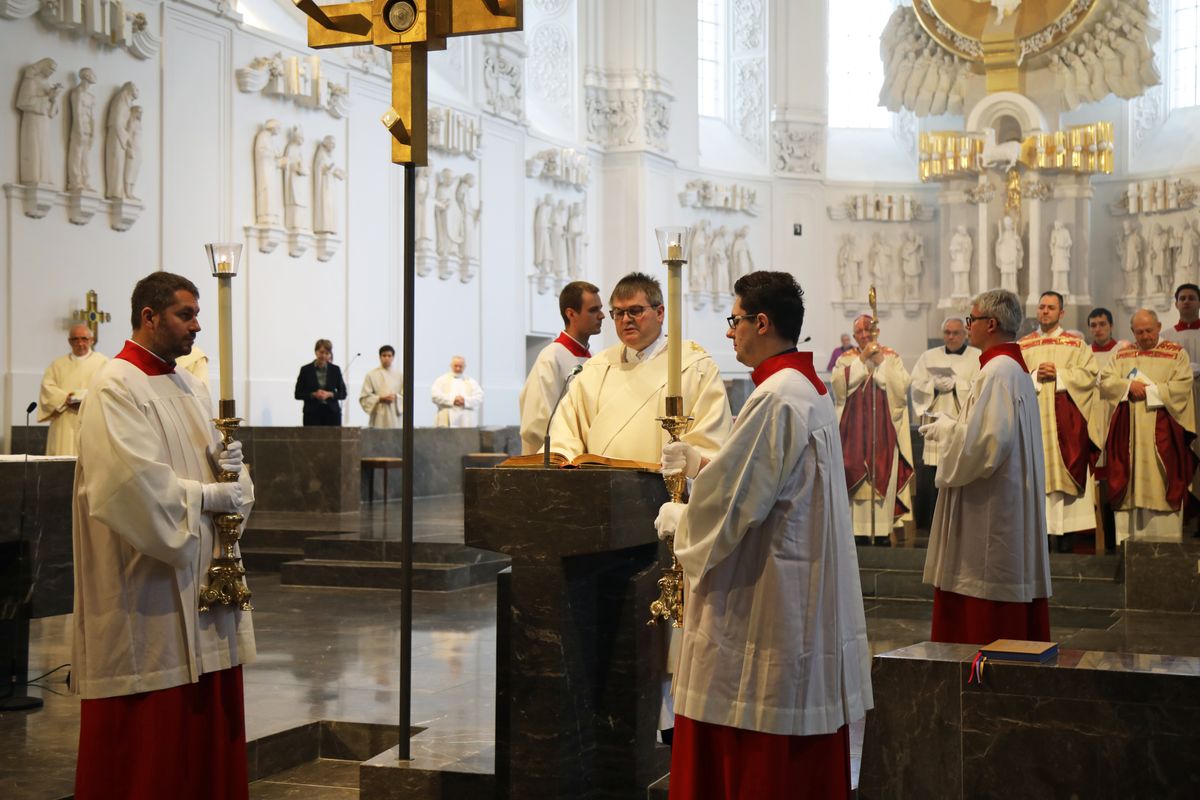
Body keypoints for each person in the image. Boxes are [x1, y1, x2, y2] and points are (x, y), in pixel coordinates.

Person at [653, 271, 871, 799]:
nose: (731, 333)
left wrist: (680, 519)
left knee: (752, 750)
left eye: (735, 321)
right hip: (796, 592)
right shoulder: (805, 388)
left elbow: (735, 507)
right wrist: (705, 461)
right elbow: (769, 478)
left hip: (768, 601)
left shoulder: (777, 396)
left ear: (762, 322)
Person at [72, 271, 255, 799]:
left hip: (204, 587)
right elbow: (130, 489)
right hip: (145, 588)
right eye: (185, 315)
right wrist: (206, 497)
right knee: (152, 749)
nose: (197, 326)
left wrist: (234, 473)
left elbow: (228, 483)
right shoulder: (113, 386)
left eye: (197, 314)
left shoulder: (191, 387)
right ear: (149, 317)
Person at [919, 288, 1052, 644]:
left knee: (985, 587)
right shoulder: (1012, 369)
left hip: (993, 506)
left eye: (971, 320)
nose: (968, 327)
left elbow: (987, 445)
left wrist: (946, 430)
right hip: (1006, 497)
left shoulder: (997, 371)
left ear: (990, 324)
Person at [549, 272, 732, 464]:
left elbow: (709, 442)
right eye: (618, 313)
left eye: (635, 311)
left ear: (660, 313)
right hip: (599, 489)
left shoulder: (695, 366)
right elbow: (565, 434)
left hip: (664, 491)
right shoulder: (595, 369)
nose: (626, 319)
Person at [1099, 309, 1196, 541]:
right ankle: (1128, 546)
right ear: (1132, 331)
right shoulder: (1122, 355)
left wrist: (1149, 391)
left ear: (1159, 326)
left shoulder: (1176, 354)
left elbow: (1182, 385)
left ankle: (1165, 550)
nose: (1144, 336)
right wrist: (1127, 385)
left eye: (1149, 331)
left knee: (1162, 486)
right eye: (1139, 332)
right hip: (1128, 434)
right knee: (1129, 485)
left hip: (1163, 435)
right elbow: (1105, 381)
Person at [1018, 291, 1101, 551]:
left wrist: (1060, 374)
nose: (1045, 312)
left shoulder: (1076, 345)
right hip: (1032, 424)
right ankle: (1039, 536)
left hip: (1065, 426)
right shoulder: (1023, 345)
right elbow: (1012, 377)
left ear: (1061, 313)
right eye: (1041, 307)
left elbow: (1089, 375)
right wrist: (1032, 375)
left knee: (1064, 472)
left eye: (1051, 308)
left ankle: (1066, 536)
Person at [831, 314, 913, 542]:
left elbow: (902, 388)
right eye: (860, 332)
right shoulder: (846, 359)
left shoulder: (890, 356)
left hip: (883, 434)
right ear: (854, 335)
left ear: (876, 332)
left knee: (882, 474)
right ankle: (857, 533)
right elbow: (838, 388)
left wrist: (880, 362)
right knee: (855, 480)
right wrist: (862, 360)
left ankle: (882, 531)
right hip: (853, 435)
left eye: (869, 330)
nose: (865, 335)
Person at [518, 281, 604, 454]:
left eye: (600, 309)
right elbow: (537, 423)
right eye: (593, 310)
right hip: (558, 461)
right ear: (571, 314)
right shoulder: (551, 357)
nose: (602, 315)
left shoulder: (594, 358)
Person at [909, 316, 980, 466]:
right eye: (947, 332)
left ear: (965, 334)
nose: (951, 337)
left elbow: (982, 386)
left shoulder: (977, 356)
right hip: (936, 421)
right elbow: (916, 384)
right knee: (933, 474)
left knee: (959, 466)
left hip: (961, 422)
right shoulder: (928, 356)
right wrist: (933, 387)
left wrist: (958, 385)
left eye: (955, 333)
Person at [38, 323, 109, 456]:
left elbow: (107, 389)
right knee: (61, 465)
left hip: (90, 420)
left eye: (84, 339)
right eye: (75, 339)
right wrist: (66, 398)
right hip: (63, 421)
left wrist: (85, 399)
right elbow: (47, 389)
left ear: (91, 340)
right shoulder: (57, 365)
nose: (80, 343)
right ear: (69, 341)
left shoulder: (103, 363)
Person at [294, 339, 347, 426]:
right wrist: (313, 394)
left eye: (327, 353)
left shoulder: (335, 370)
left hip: (332, 414)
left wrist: (329, 394)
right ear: (316, 352)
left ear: (330, 354)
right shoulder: (305, 370)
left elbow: (343, 394)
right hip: (311, 414)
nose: (324, 356)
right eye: (321, 352)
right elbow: (297, 394)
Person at [431, 356, 484, 427]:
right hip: (446, 417)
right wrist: (453, 400)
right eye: (455, 366)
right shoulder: (441, 380)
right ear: (451, 366)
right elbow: (435, 396)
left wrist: (464, 401)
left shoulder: (471, 382)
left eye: (460, 366)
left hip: (466, 420)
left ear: (464, 367)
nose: (458, 368)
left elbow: (479, 397)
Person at [360, 345, 403, 429]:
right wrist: (379, 399)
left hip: (393, 414)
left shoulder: (400, 376)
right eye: (384, 355)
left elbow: (406, 397)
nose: (386, 358)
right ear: (380, 357)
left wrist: (396, 397)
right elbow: (364, 397)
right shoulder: (371, 375)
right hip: (378, 414)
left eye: (389, 356)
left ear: (393, 357)